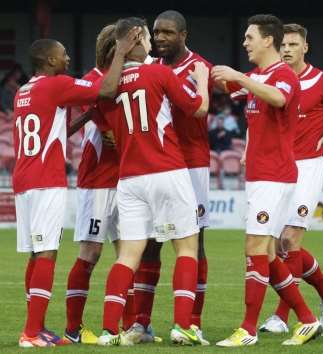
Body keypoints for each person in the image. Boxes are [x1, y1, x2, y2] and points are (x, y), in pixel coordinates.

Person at [13, 28, 140, 348]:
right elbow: (107, 89)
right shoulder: (58, 85)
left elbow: (52, 129)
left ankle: (36, 328)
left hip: (24, 180)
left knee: (35, 253)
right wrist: (122, 51)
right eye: (64, 54)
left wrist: (84, 119)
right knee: (46, 253)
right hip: (46, 180)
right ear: (50, 60)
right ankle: (30, 332)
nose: (68, 58)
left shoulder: (24, 91)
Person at [95, 17, 210, 346]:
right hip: (167, 170)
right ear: (138, 39)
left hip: (129, 179)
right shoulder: (159, 73)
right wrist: (201, 80)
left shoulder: (109, 84)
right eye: (148, 35)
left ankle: (108, 331)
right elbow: (197, 109)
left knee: (127, 255)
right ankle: (183, 326)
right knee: (186, 248)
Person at [212, 14, 322, 347]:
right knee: (269, 254)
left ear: (267, 40)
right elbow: (224, 83)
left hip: (275, 175)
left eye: (249, 37)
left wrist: (239, 79)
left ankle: (247, 330)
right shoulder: (258, 76)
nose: (245, 43)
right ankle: (307, 319)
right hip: (260, 175)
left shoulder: (282, 75)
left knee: (255, 248)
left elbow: (279, 98)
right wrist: (201, 70)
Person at [259, 23, 323, 334]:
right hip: (276, 166)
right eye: (283, 44)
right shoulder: (272, 80)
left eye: (293, 44)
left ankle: (282, 317)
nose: (287, 49)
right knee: (273, 245)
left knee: (289, 240)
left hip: (308, 167)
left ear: (305, 48)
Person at [63, 24, 132, 345]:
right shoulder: (94, 81)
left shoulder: (130, 77)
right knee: (90, 251)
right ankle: (73, 330)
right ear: (115, 47)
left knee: (128, 251)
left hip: (126, 178)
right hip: (99, 180)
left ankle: (129, 327)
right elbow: (114, 134)